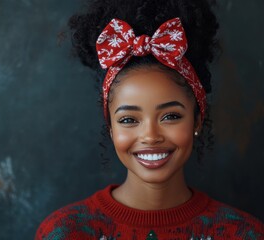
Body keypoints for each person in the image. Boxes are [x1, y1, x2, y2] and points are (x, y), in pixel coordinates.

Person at [35, 0, 264, 239]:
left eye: (171, 116)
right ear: (111, 128)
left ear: (197, 120)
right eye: (128, 120)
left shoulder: (242, 233)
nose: (151, 136)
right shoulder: (64, 232)